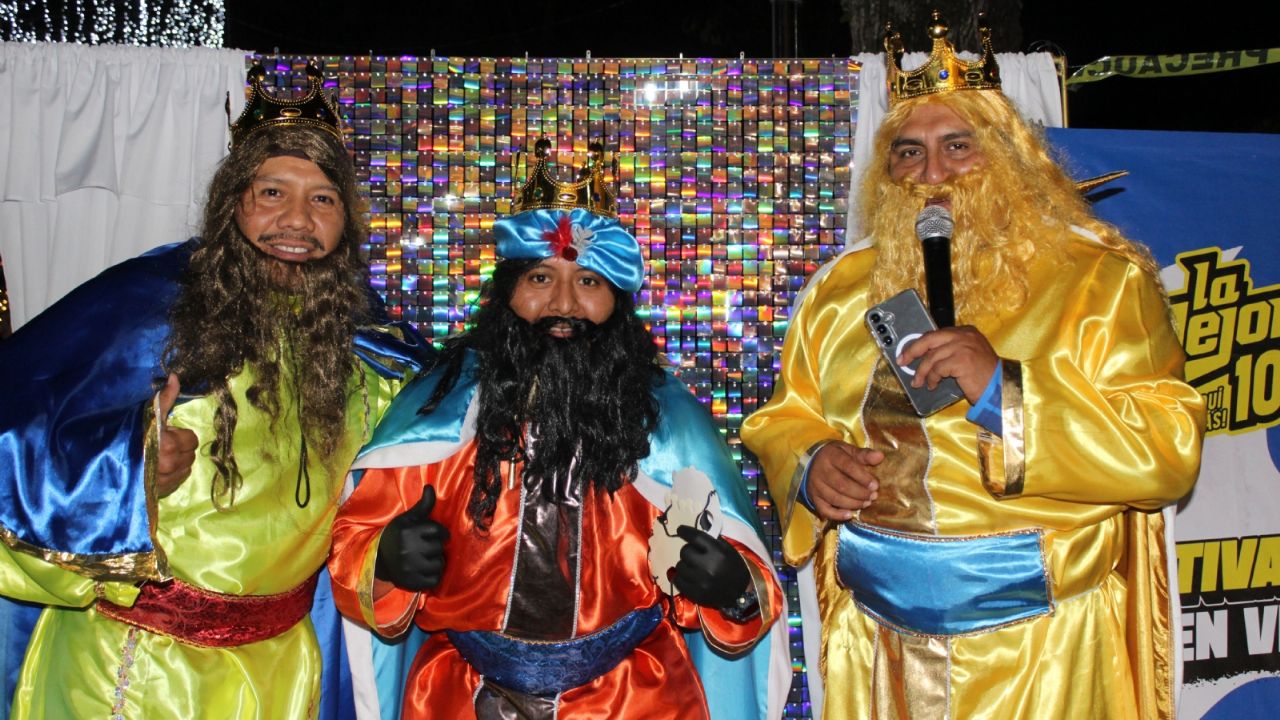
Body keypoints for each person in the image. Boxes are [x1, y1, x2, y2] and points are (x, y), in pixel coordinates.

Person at [741, 14, 1205, 720]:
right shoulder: (837, 291)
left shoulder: (1099, 280)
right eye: (909, 153)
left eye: (958, 146)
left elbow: (1167, 449)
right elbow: (786, 416)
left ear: (1010, 153)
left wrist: (1002, 390)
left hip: (1043, 652)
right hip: (880, 652)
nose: (932, 175)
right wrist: (810, 464)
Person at [0, 64, 429, 719]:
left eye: (322, 199)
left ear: (345, 220)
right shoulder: (145, 309)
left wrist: (385, 558)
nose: (297, 221)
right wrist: (128, 469)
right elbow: (16, 437)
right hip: (128, 674)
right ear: (232, 202)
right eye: (272, 192)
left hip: (282, 678)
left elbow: (369, 506)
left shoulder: (370, 353)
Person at [327, 141, 790, 720]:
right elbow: (357, 534)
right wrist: (384, 562)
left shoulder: (667, 418)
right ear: (506, 291)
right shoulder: (441, 406)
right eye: (541, 278)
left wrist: (734, 590)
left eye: (589, 282)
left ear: (618, 300)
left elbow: (745, 571)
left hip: (633, 699)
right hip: (461, 695)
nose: (563, 304)